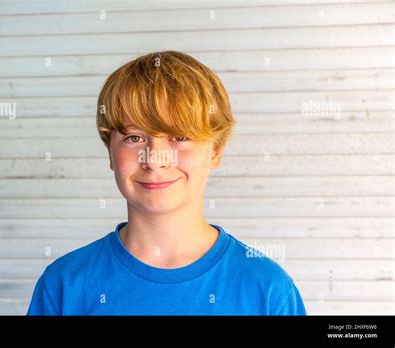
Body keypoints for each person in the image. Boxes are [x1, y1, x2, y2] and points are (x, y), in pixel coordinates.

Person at [27, 51, 306, 315]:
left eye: (179, 137)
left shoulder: (268, 291)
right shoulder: (64, 286)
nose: (154, 159)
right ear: (110, 152)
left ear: (216, 151)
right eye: (134, 138)